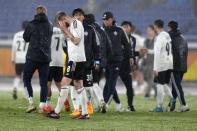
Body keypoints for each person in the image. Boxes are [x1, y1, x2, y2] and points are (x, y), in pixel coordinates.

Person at [47, 11, 89, 119]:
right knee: (79, 84)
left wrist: (65, 29)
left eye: (60, 23)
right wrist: (64, 31)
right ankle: (85, 113)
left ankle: (56, 112)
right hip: (78, 59)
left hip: (75, 59)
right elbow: (70, 39)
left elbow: (76, 41)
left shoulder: (76, 24)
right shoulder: (71, 26)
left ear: (64, 19)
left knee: (64, 83)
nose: (61, 26)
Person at [23, 5, 53, 113]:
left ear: (36, 12)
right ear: (45, 12)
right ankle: (42, 105)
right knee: (43, 83)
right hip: (45, 58)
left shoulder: (31, 24)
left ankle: (31, 102)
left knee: (26, 79)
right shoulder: (50, 25)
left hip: (32, 57)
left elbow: (26, 38)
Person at [102, 12, 133, 111]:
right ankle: (118, 104)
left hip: (117, 60)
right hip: (106, 61)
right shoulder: (102, 31)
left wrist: (131, 57)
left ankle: (106, 104)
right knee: (108, 83)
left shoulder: (119, 30)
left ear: (112, 19)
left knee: (112, 83)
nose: (105, 21)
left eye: (107, 19)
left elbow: (127, 44)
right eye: (104, 20)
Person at [45, 14, 67, 112]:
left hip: (50, 61)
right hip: (60, 61)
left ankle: (47, 104)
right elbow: (65, 47)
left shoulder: (48, 32)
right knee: (59, 84)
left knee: (48, 84)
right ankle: (65, 102)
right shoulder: (62, 32)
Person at [167, 21, 189, 112]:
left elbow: (168, 53)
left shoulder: (169, 38)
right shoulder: (183, 38)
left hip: (174, 66)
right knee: (175, 86)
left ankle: (183, 104)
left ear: (170, 28)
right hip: (183, 65)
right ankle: (171, 105)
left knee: (177, 86)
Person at [151, 19, 173, 112]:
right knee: (163, 83)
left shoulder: (159, 37)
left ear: (155, 26)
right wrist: (148, 51)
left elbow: (157, 52)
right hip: (169, 63)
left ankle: (159, 106)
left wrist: (155, 68)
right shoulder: (167, 35)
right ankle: (172, 99)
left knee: (159, 84)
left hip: (161, 64)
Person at [11, 21, 29, 100]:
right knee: (26, 78)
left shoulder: (16, 35)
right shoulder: (29, 35)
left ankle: (15, 87)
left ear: (22, 26)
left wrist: (12, 58)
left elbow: (13, 47)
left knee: (18, 75)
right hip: (26, 59)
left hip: (18, 59)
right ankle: (26, 94)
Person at [121, 21, 136, 111]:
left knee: (129, 87)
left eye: (127, 27)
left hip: (126, 66)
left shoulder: (133, 39)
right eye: (124, 27)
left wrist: (136, 56)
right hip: (117, 64)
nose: (125, 29)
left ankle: (130, 105)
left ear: (130, 28)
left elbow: (131, 52)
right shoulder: (118, 37)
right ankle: (107, 103)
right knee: (110, 86)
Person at [141, 25, 156, 98]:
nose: (148, 32)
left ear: (154, 31)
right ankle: (156, 90)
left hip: (154, 61)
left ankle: (147, 94)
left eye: (150, 30)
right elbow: (144, 50)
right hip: (146, 61)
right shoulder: (145, 40)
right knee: (146, 78)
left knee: (150, 77)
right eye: (147, 30)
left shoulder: (156, 40)